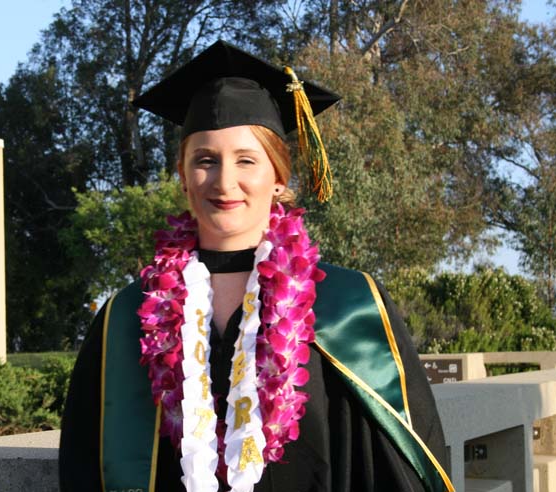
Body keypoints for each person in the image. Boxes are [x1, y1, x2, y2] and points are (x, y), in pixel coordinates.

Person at [59, 40, 453, 492]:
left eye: (246, 160)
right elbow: (84, 468)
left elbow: (392, 472)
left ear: (279, 179)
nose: (225, 181)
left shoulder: (349, 307)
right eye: (205, 160)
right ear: (183, 176)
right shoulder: (124, 319)